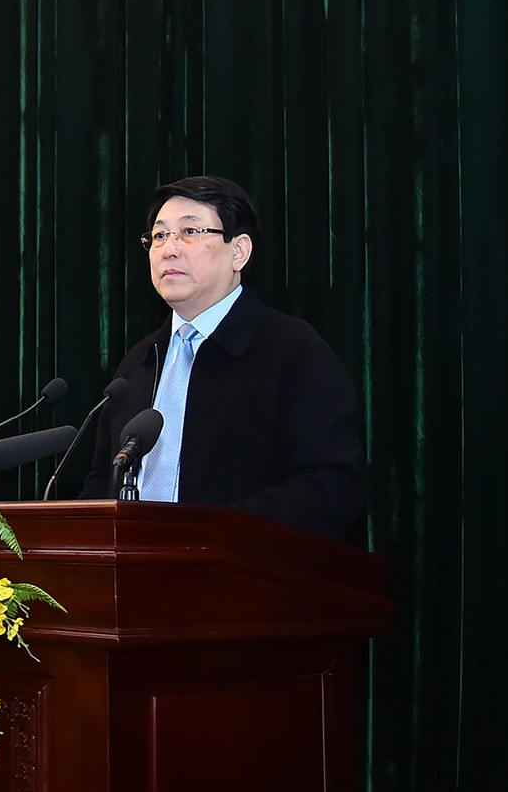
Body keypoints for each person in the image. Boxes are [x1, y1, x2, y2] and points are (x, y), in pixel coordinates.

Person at [81, 175, 367, 542]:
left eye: (190, 232)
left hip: (243, 582)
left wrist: (214, 536)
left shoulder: (293, 351)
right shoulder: (138, 363)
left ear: (239, 252)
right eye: (159, 236)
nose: (169, 249)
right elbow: (100, 481)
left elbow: (330, 486)